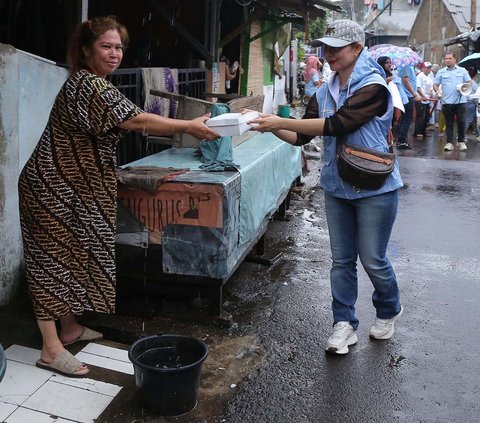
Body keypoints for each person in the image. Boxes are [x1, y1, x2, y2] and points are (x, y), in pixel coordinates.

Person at [18, 16, 219, 378]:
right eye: (105, 46)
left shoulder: (96, 84)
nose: (114, 54)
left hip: (71, 186)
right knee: (49, 262)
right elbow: (136, 121)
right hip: (49, 185)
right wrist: (188, 125)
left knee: (71, 254)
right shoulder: (88, 84)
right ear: (85, 51)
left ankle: (70, 329)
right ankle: (50, 348)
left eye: (119, 47)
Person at [249, 19, 403, 355]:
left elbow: (337, 125)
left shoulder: (374, 85)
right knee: (341, 260)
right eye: (326, 48)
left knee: (373, 259)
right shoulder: (323, 89)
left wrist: (281, 120)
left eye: (336, 48)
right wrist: (266, 125)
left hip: (375, 186)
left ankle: (389, 309)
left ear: (357, 48)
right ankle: (343, 324)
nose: (328, 54)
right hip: (337, 185)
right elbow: (302, 136)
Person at [433, 52, 473, 151]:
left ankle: (461, 141)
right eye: (446, 58)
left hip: (461, 101)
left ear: (455, 60)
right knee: (449, 123)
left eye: (450, 58)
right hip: (447, 101)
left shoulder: (462, 71)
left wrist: (464, 87)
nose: (448, 60)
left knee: (461, 122)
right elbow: (435, 84)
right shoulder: (441, 72)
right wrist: (438, 92)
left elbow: (469, 82)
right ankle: (449, 143)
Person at [396, 61, 422, 149]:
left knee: (405, 119)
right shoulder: (405, 66)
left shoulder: (408, 67)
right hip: (407, 96)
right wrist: (414, 94)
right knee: (407, 118)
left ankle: (402, 139)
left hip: (408, 95)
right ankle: (402, 140)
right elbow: (406, 81)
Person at [414, 62, 434, 138]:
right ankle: (418, 132)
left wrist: (432, 96)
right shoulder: (420, 76)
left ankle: (423, 131)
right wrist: (423, 96)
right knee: (420, 117)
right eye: (428, 68)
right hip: (421, 99)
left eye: (430, 68)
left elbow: (430, 89)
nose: (429, 70)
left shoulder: (429, 78)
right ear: (423, 68)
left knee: (426, 117)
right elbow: (418, 88)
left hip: (428, 100)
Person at [464, 67, 479, 142]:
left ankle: (478, 134)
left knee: (473, 120)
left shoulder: (465, 81)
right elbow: (477, 91)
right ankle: (461, 136)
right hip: (471, 102)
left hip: (465, 101)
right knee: (469, 119)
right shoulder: (473, 82)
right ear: (475, 75)